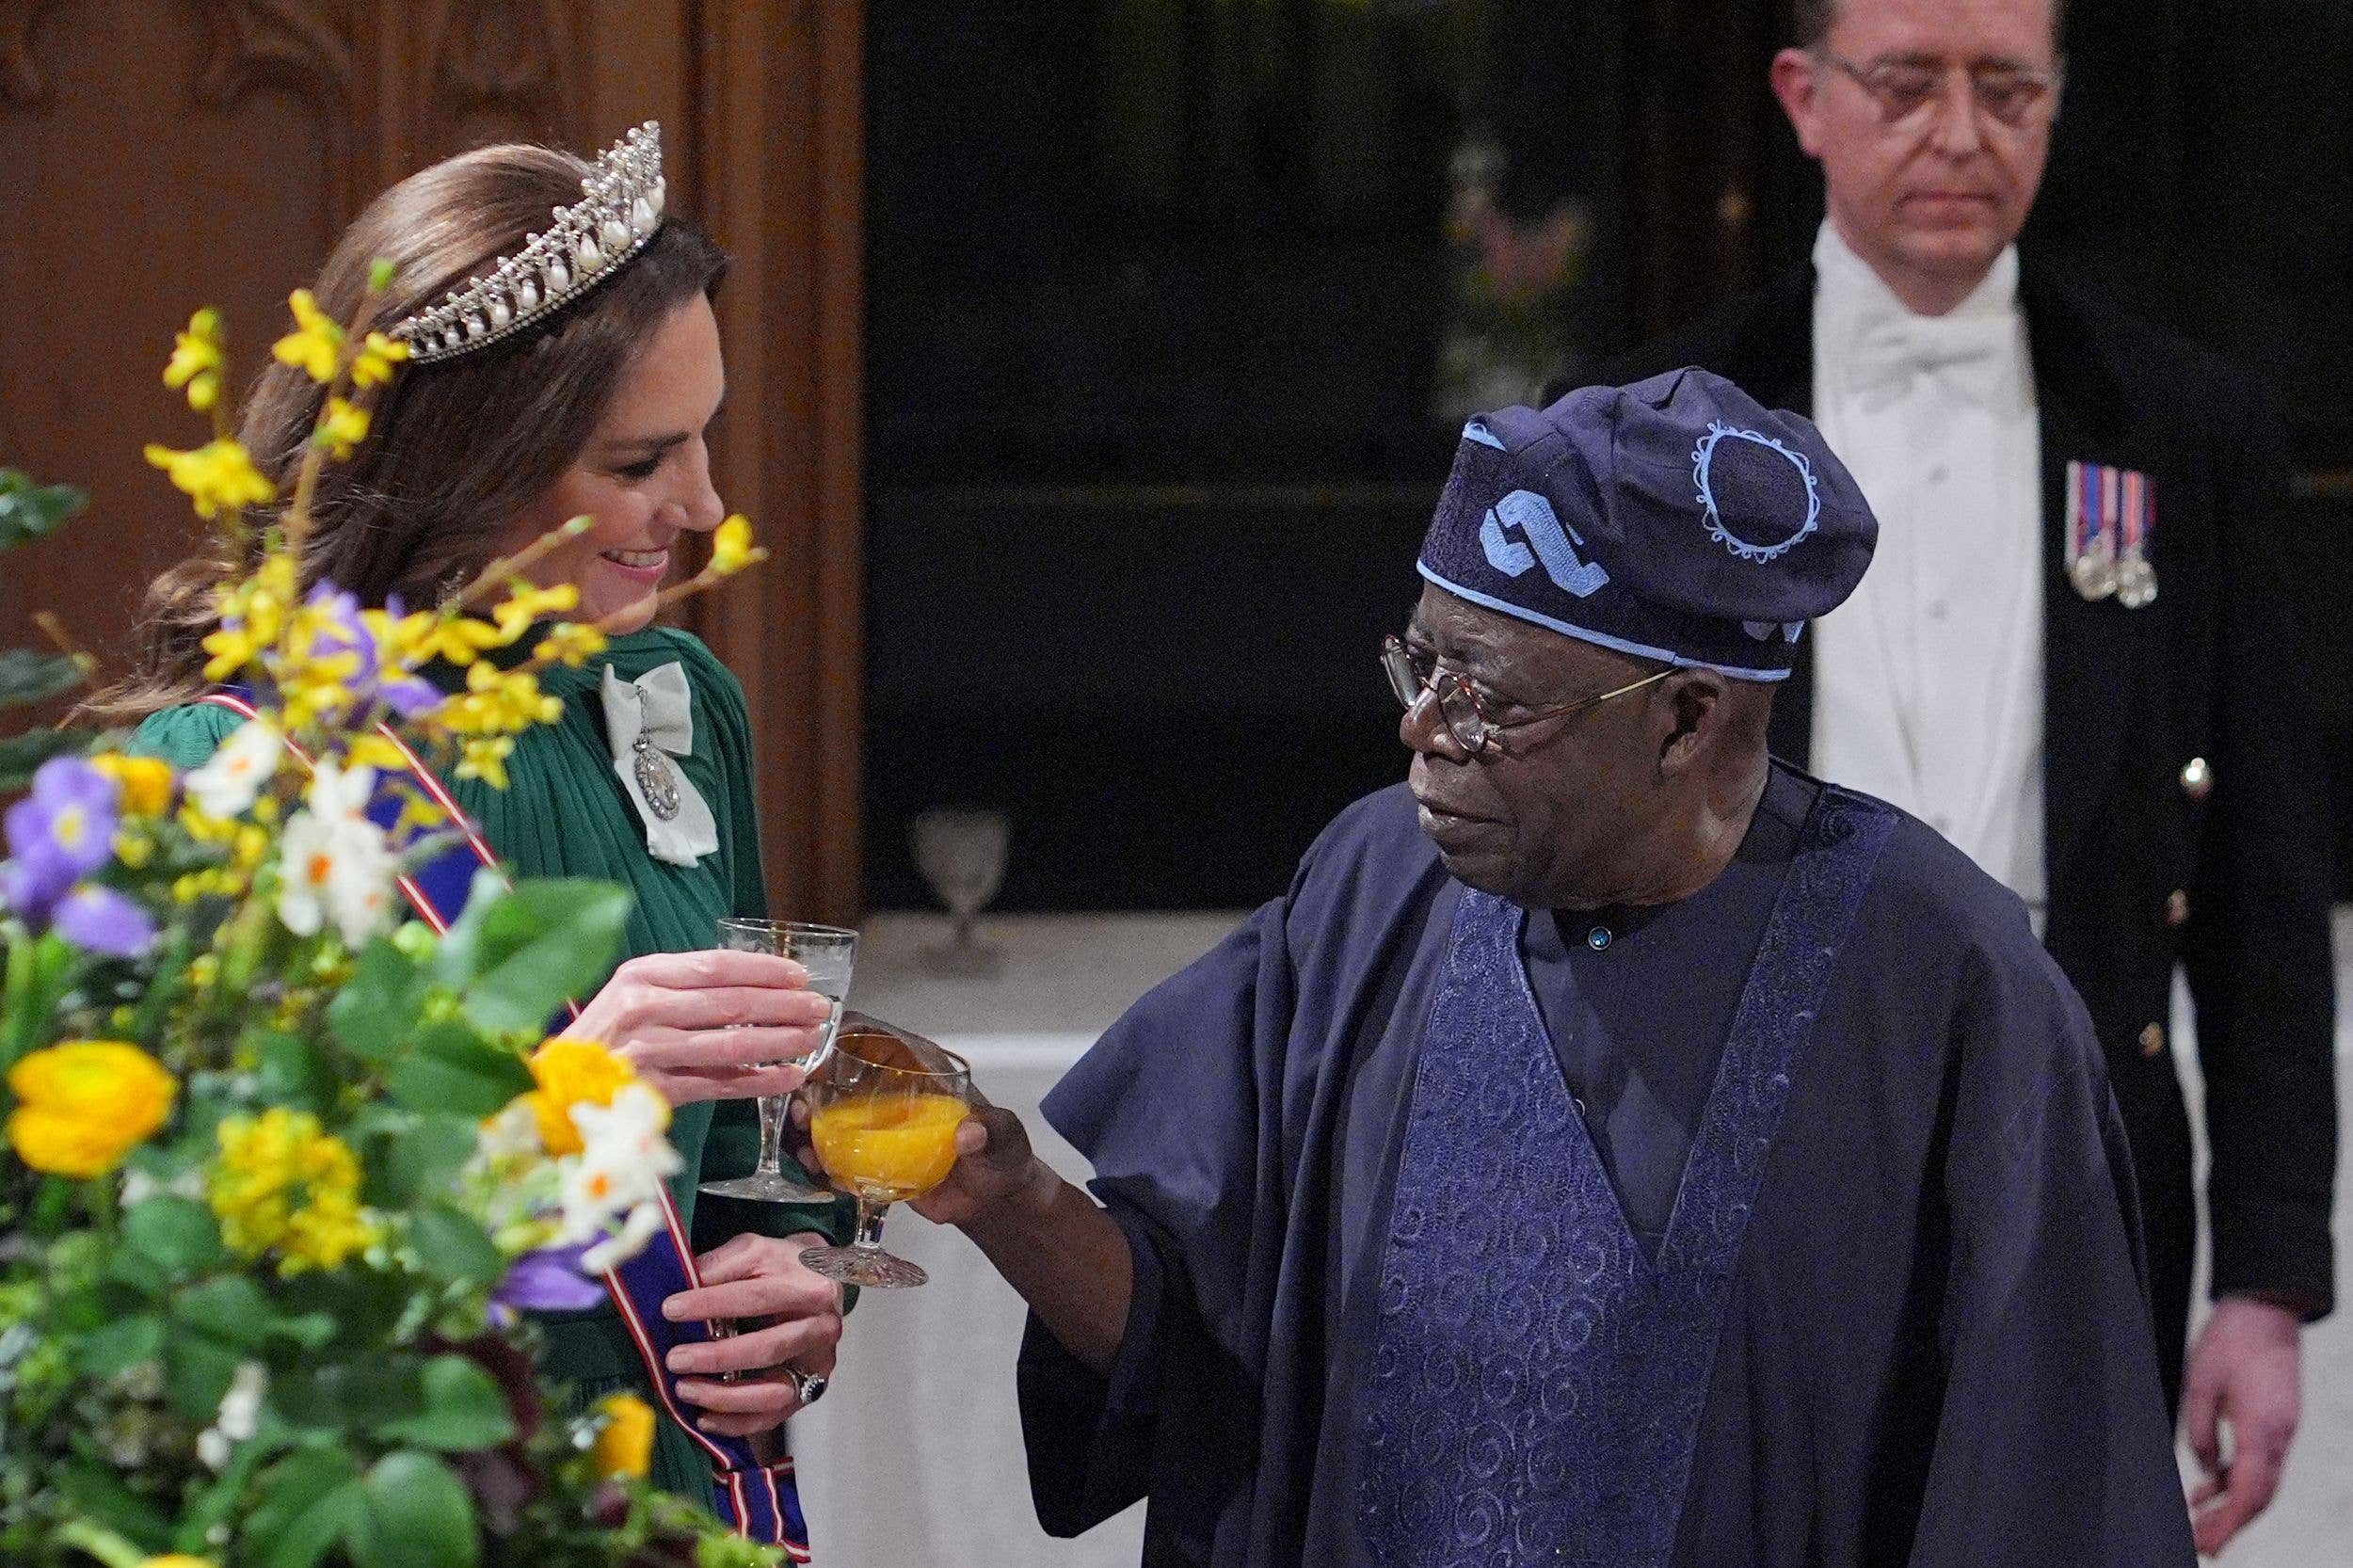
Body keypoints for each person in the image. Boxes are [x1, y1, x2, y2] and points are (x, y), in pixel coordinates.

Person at [917, 368, 2196, 1567]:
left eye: (1488, 698)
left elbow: (2046, 1502)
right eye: (1421, 663)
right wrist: (1009, 1193)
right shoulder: (1369, 892)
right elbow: (1196, 1363)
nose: (1423, 731)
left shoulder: (1949, 992)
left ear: (1687, 718)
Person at [1597, 0, 2335, 1550]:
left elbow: (2267, 884)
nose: (1958, 130)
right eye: (1908, 81)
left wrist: (2266, 1283)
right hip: (1723, 1179)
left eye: (2007, 88)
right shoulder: (1650, 424)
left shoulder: (2183, 431)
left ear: (2059, 106)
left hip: (2086, 1168)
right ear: (1805, 98)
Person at [91, 129, 849, 1528]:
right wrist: (547, 1108)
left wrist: (790, 1280)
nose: (707, 507)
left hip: (670, 1507)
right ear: (462, 461)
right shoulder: (239, 771)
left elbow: (751, 1141)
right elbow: (184, 1296)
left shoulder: (680, 701)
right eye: (641, 460)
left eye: (708, 435)